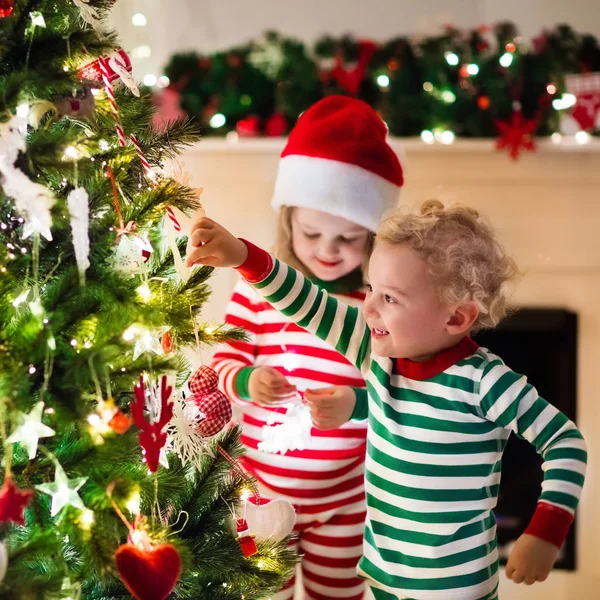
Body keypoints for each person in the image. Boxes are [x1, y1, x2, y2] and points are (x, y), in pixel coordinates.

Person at [187, 199, 587, 600]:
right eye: (371, 289)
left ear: (455, 318)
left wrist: (546, 531)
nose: (369, 307)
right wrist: (243, 256)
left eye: (390, 298)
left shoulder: (485, 382)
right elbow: (309, 302)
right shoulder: (378, 356)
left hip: (454, 587)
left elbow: (565, 442)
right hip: (383, 578)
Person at [210, 96, 404, 600]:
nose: (328, 249)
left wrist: (352, 404)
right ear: (289, 220)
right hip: (262, 497)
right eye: (312, 232)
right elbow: (224, 361)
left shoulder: (376, 307)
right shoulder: (258, 290)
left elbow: (398, 390)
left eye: (349, 238)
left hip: (348, 502)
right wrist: (248, 381)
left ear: (374, 239)